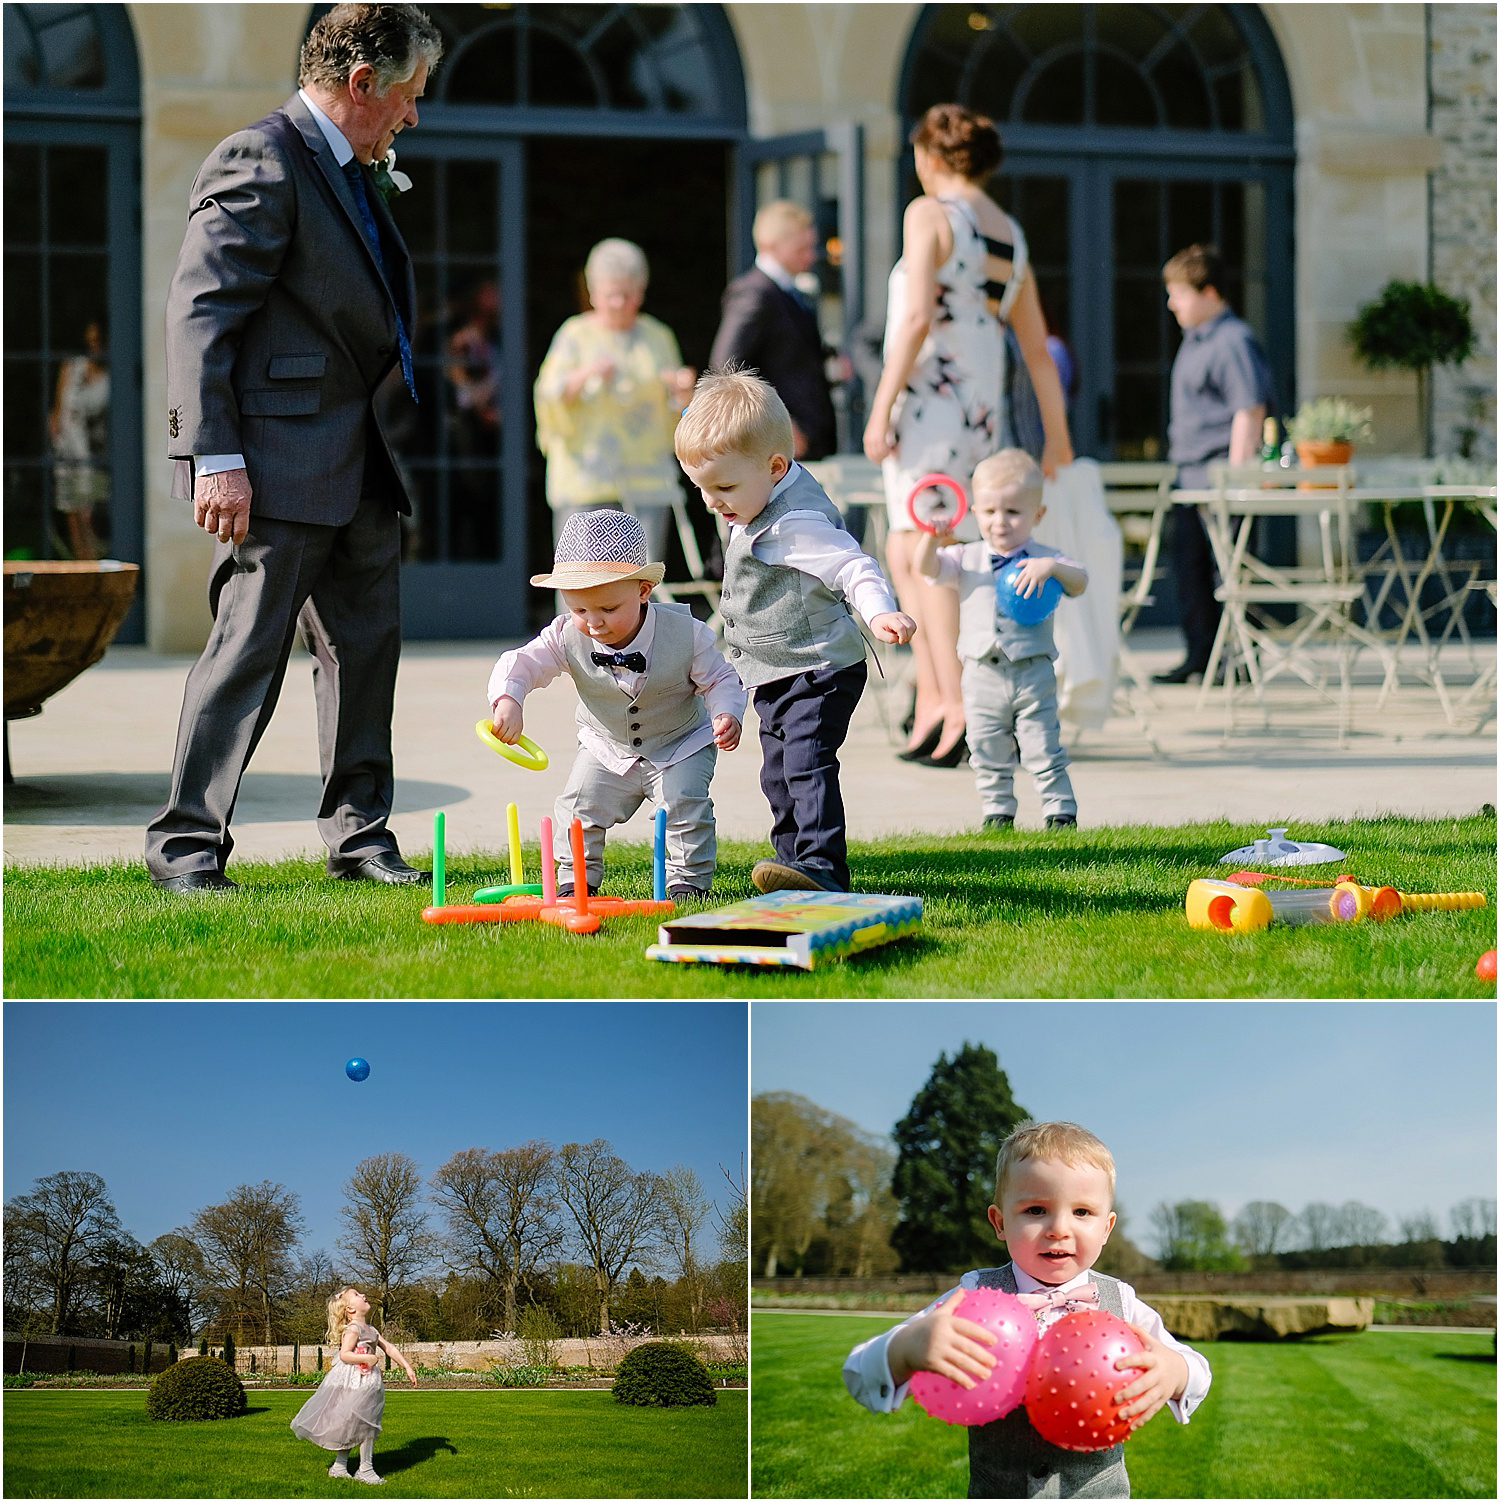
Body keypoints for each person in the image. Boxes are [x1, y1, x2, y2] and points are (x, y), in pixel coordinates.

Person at [146, 3, 444, 893]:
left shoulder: (353, 165)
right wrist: (215, 456)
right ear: (361, 84)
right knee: (245, 658)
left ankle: (361, 836)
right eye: (408, 96)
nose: (413, 117)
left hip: (359, 457)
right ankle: (186, 847)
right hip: (270, 466)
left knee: (368, 654)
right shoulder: (260, 155)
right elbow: (201, 312)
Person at [864, 104, 1073, 769]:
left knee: (928, 551)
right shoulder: (1009, 231)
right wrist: (1056, 437)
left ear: (931, 156)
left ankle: (959, 710)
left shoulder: (929, 213)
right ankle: (935, 701)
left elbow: (918, 315)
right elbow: (1038, 349)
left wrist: (880, 403)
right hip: (981, 406)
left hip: (931, 402)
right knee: (913, 552)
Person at [844, 1120, 1211, 1500]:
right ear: (1000, 1222)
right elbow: (857, 1373)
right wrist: (906, 1348)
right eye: (1036, 1209)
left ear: (1107, 1227)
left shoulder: (1122, 1300)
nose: (1059, 1228)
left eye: (1083, 1212)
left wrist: (1176, 1370)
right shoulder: (971, 1296)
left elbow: (1199, 1371)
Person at [675, 371, 915, 895]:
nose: (714, 503)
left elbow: (854, 566)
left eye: (725, 487)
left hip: (821, 668)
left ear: (776, 466)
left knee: (806, 763)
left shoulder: (792, 523)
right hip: (782, 669)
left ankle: (823, 866)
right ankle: (792, 865)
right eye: (703, 490)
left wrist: (879, 614)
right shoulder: (755, 497)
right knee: (778, 771)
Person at [486, 509, 744, 900]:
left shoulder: (686, 634)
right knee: (578, 805)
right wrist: (509, 700)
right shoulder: (564, 636)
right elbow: (521, 663)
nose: (594, 623)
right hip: (606, 746)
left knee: (684, 803)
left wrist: (726, 712)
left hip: (680, 743)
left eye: (608, 609)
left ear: (643, 591)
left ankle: (687, 882)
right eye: (579, 610)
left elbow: (722, 678)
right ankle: (577, 881)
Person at [914, 451, 1085, 831]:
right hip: (980, 672)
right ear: (975, 513)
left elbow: (1080, 580)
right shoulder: (965, 556)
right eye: (990, 512)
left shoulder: (1045, 558)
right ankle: (997, 812)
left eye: (1013, 512)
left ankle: (1060, 812)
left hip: (1032, 670)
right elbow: (926, 569)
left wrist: (1053, 567)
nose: (1001, 522)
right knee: (986, 747)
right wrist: (930, 539)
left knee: (1042, 745)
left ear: (1037, 515)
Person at [533, 238, 696, 568]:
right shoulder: (574, 335)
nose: (620, 303)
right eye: (611, 294)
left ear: (642, 291)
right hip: (585, 481)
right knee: (580, 581)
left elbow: (679, 410)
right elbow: (548, 395)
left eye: (629, 294)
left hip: (648, 480)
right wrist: (585, 375)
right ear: (592, 292)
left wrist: (682, 391)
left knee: (640, 582)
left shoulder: (658, 336)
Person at [1156, 243, 1272, 685]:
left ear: (1209, 293)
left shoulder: (1232, 340)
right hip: (1189, 480)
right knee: (1191, 571)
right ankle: (1200, 659)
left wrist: (1236, 484)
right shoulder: (1194, 341)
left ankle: (1238, 662)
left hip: (1219, 481)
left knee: (1230, 574)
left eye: (1179, 293)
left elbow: (1250, 411)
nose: (1172, 303)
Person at [710, 199, 839, 460]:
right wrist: (781, 426)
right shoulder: (753, 293)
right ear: (771, 246)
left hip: (812, 437)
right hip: (782, 440)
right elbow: (727, 367)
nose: (811, 255)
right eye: (801, 248)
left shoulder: (792, 292)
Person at [291, 1286, 416, 1485]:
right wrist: (367, 1357)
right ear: (350, 1309)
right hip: (355, 1380)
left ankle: (343, 1467)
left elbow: (389, 1347)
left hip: (369, 1380)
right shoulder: (353, 1329)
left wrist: (407, 1366)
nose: (364, 1295)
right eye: (357, 1295)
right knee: (361, 1423)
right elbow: (345, 1354)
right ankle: (362, 1469)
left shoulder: (372, 1330)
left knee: (362, 1423)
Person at [49, 320, 110, 561]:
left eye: (98, 341)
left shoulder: (111, 378)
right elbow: (57, 411)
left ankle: (98, 578)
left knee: (91, 520)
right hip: (67, 455)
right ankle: (82, 575)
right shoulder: (71, 368)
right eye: (90, 341)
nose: (93, 346)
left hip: (95, 459)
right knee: (73, 518)